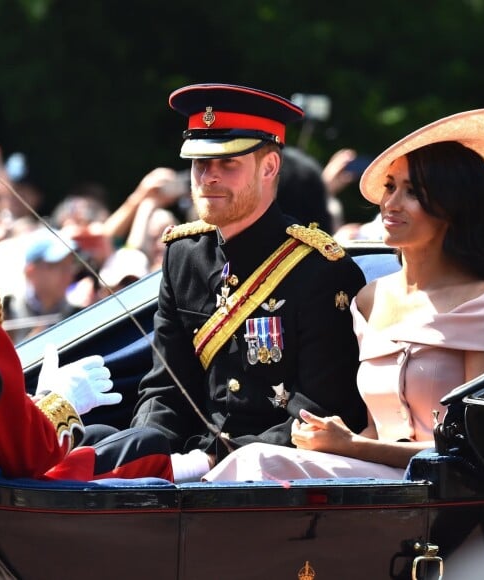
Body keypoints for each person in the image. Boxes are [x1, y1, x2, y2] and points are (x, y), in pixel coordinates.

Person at [203, 107, 484, 483]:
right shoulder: (369, 299)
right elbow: (373, 432)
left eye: (413, 192)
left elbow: (478, 448)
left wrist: (351, 445)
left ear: (453, 207)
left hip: (449, 495)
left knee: (258, 464)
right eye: (390, 186)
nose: (391, 204)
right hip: (378, 486)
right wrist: (330, 439)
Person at [130, 83, 367, 482]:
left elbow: (320, 413)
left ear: (270, 167)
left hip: (266, 481)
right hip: (185, 468)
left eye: (228, 165)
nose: (209, 177)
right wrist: (147, 452)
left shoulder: (322, 268)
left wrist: (208, 463)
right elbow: (165, 387)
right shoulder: (183, 253)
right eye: (199, 164)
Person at [0, 248, 174, 482]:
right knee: (148, 449)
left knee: (101, 435)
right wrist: (59, 399)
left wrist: (35, 404)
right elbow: (24, 450)